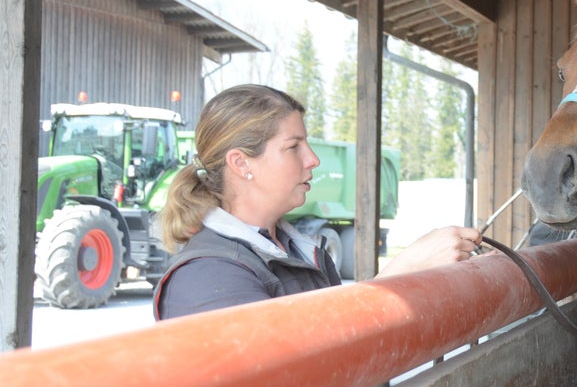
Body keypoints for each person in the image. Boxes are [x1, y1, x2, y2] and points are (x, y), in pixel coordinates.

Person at [156, 84, 481, 319]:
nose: (313, 159)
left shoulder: (301, 251)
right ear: (241, 163)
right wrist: (404, 270)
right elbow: (291, 371)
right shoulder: (209, 275)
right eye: (293, 146)